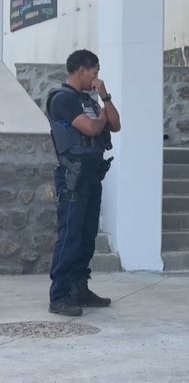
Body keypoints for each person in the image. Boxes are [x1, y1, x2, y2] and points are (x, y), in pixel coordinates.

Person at [46, 49, 121, 316]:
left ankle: (79, 288)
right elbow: (90, 129)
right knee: (71, 234)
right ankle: (60, 296)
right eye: (95, 72)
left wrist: (105, 97)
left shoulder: (89, 99)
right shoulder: (62, 99)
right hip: (72, 175)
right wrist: (98, 120)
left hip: (91, 173)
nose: (97, 77)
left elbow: (115, 124)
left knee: (88, 234)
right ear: (81, 70)